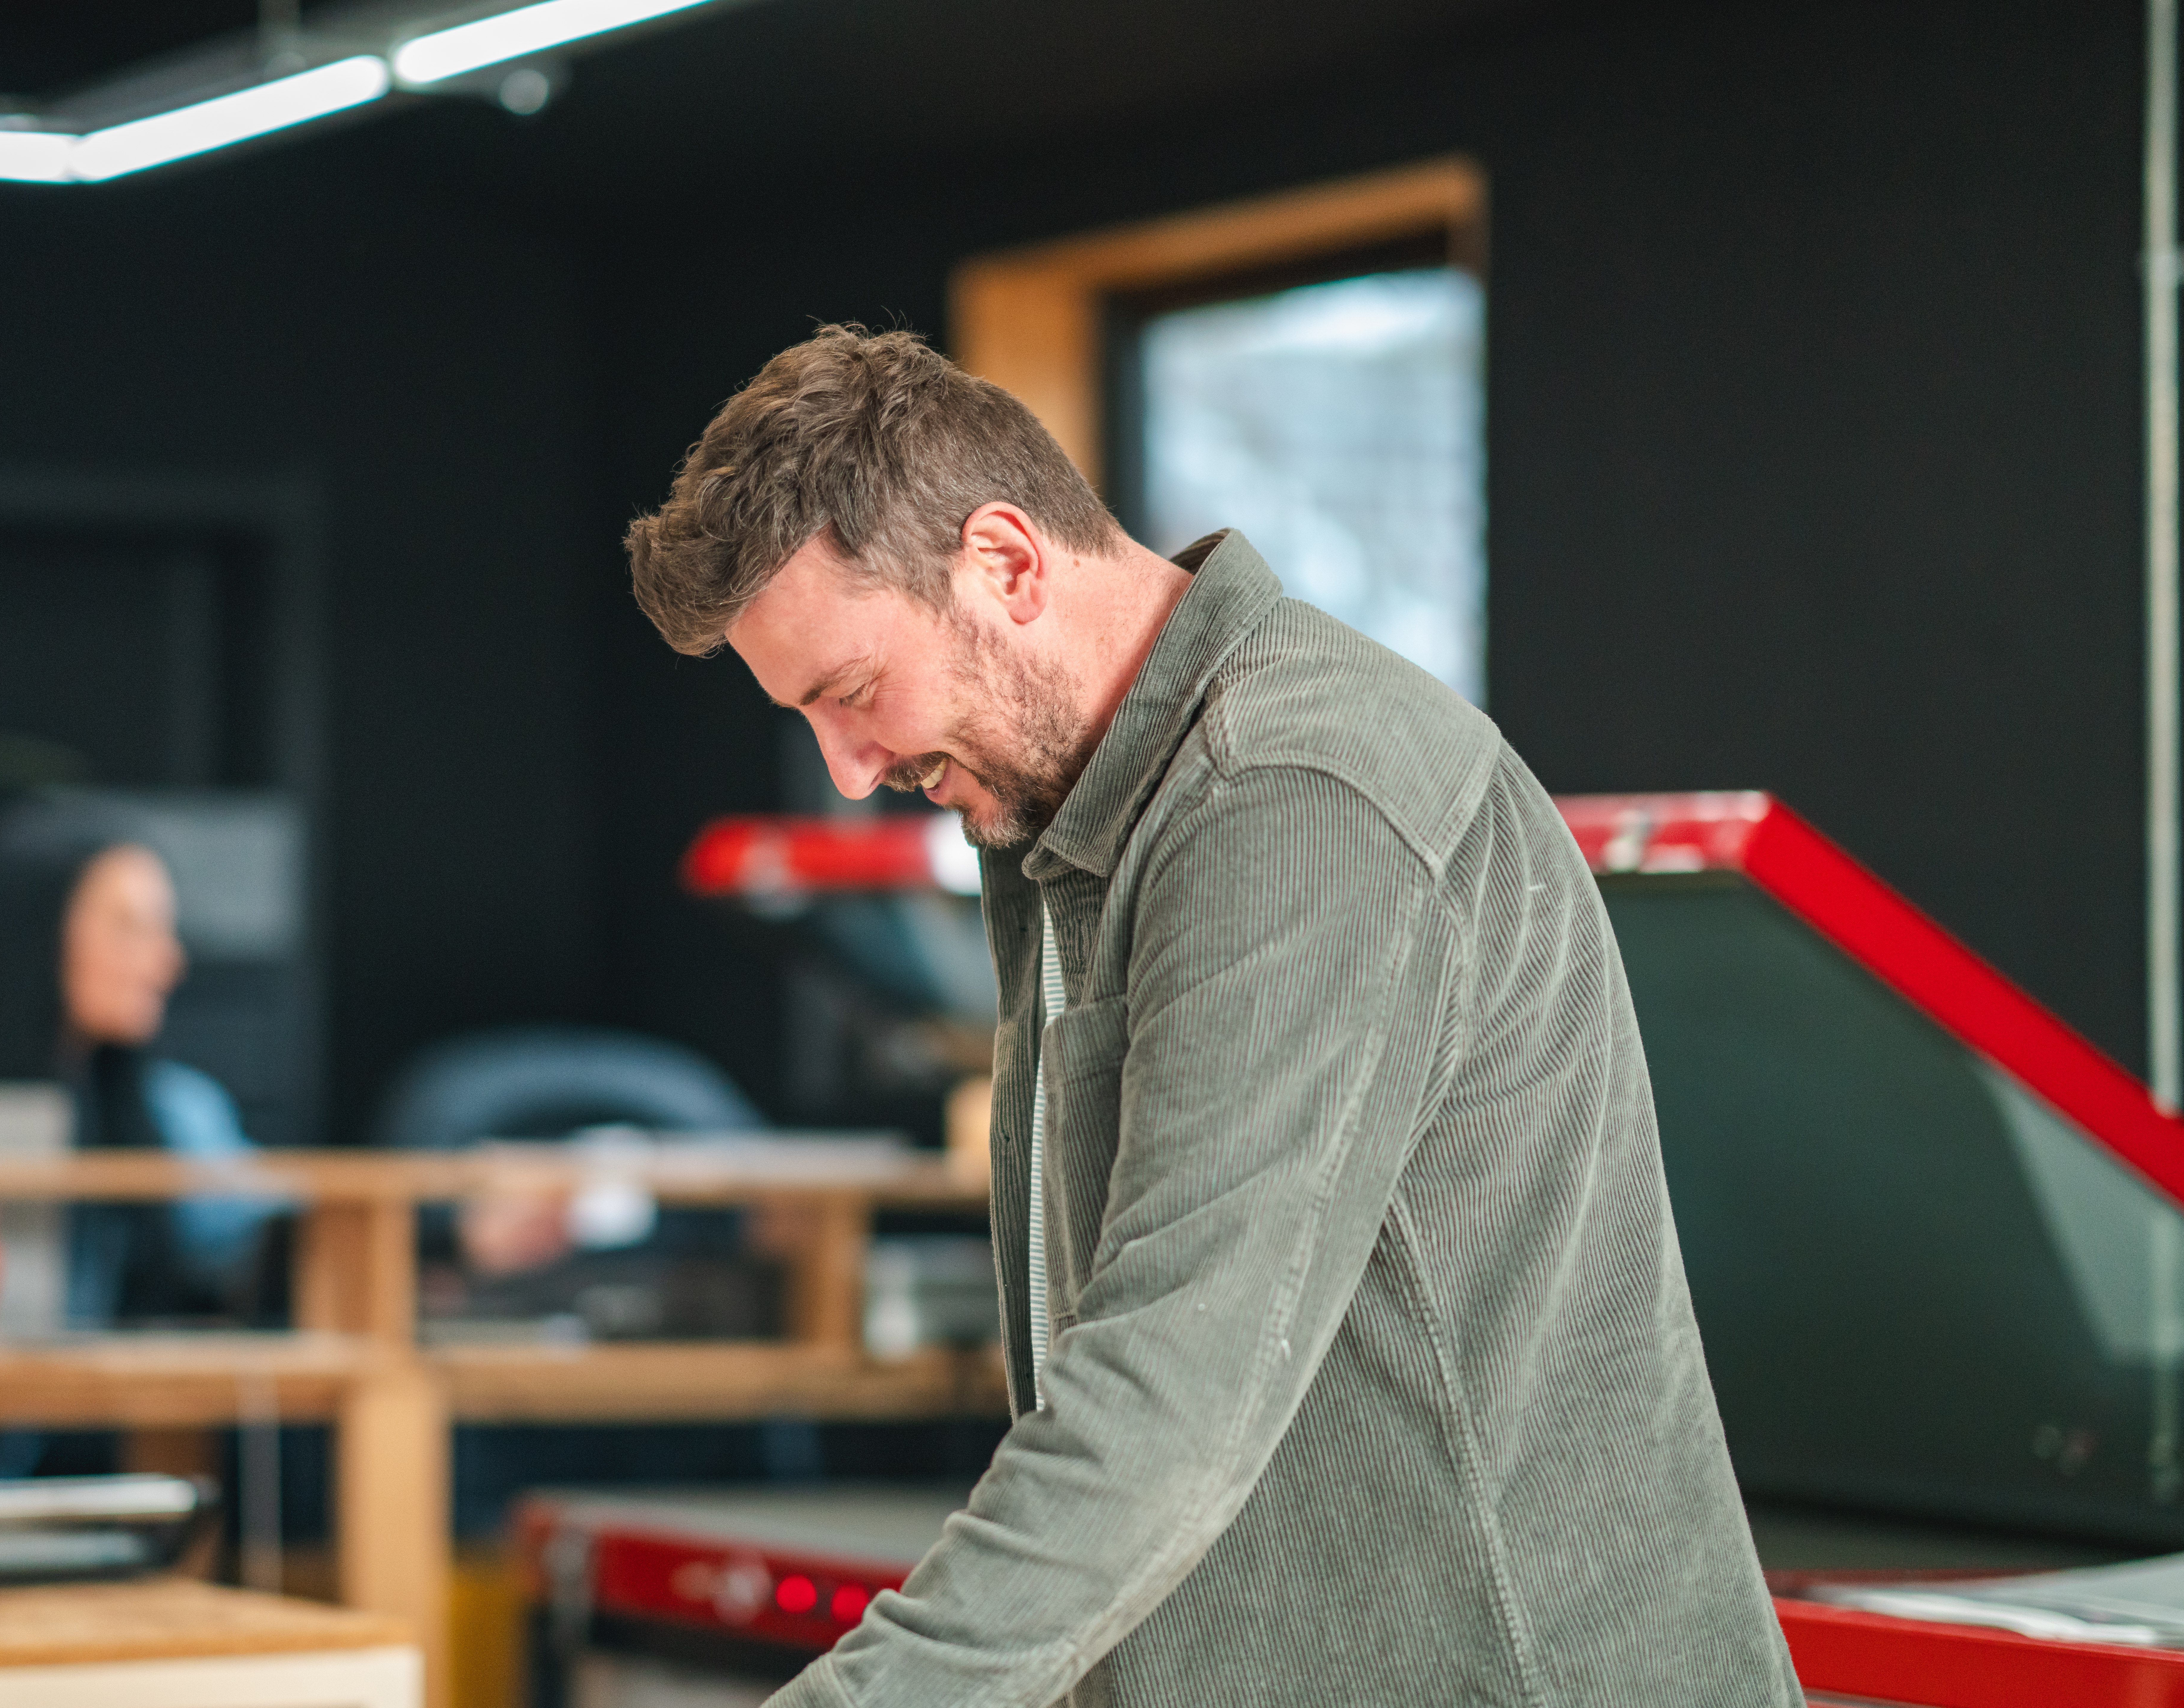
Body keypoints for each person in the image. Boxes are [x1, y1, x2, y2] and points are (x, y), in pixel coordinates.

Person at [626, 325, 1799, 1707]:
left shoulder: (1293, 796)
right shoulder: (1076, 823)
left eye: (850, 694)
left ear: (1001, 561)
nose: (850, 765)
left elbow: (1165, 1394)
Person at [0, 801, 274, 1325]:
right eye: (130, 928)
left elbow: (271, 1225)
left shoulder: (175, 1109)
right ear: (37, 929)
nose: (166, 962)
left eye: (165, 932)